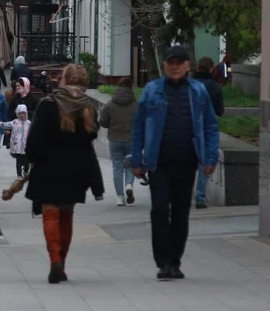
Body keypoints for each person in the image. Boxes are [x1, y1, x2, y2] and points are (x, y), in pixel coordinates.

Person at [130, 45, 219, 281]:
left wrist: (210, 158)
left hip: (187, 162)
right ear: (164, 65)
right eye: (171, 62)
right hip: (158, 163)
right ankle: (163, 263)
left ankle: (175, 261)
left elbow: (210, 126)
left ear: (189, 65)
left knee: (180, 213)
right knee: (159, 209)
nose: (176, 66)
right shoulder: (152, 91)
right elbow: (138, 126)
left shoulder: (198, 92)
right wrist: (136, 160)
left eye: (181, 61)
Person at [26, 64, 102, 284]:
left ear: (63, 79)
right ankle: (63, 263)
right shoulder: (88, 107)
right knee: (67, 216)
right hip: (76, 171)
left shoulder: (48, 104)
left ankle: (54, 260)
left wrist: (33, 158)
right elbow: (90, 141)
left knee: (51, 214)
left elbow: (35, 139)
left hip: (49, 169)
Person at [99, 77, 139, 206]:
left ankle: (120, 198)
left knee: (117, 167)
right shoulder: (136, 104)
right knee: (130, 165)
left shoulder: (110, 105)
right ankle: (129, 185)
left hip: (115, 139)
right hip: (131, 139)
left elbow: (103, 123)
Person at [192, 57, 225, 209]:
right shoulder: (216, 87)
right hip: (207, 130)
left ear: (197, 68)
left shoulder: (188, 85)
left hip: (188, 129)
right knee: (204, 164)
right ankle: (200, 197)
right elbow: (220, 111)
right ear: (212, 69)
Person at [8, 104, 31, 177]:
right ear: (17, 113)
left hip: (26, 146)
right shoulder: (14, 122)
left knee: (27, 162)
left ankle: (26, 171)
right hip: (17, 146)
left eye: (23, 113)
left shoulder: (29, 123)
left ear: (26, 113)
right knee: (18, 162)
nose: (22, 115)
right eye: (20, 113)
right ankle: (19, 174)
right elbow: (6, 125)